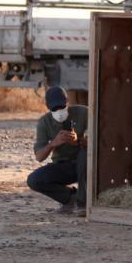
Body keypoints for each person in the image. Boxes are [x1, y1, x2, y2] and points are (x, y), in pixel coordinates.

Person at [27, 86, 89, 216]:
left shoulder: (84, 112)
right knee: (33, 180)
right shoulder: (44, 122)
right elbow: (39, 157)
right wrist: (52, 144)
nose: (59, 111)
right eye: (54, 108)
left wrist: (78, 141)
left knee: (84, 154)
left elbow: (99, 142)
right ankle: (70, 198)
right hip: (63, 166)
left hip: (85, 165)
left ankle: (83, 203)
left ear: (67, 101)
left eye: (62, 106)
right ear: (47, 106)